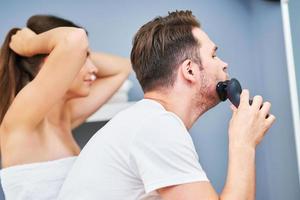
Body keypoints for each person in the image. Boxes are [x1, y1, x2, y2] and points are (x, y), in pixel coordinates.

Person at [58, 10, 275, 200]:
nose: (224, 64)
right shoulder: (156, 126)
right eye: (214, 55)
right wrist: (243, 143)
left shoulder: (148, 121)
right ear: (190, 70)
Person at [0, 15, 131, 200]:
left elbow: (123, 68)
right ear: (53, 62)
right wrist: (31, 44)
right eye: (83, 59)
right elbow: (74, 39)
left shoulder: (65, 116)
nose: (94, 68)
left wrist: (80, 54)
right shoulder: (23, 119)